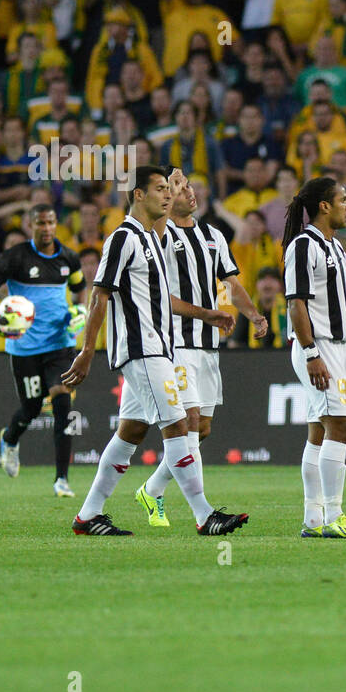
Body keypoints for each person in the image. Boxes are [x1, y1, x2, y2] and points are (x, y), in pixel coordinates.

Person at [61, 166, 247, 537]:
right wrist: (86, 351)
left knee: (130, 431)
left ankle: (88, 515)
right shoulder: (123, 238)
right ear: (139, 195)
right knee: (179, 425)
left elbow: (162, 299)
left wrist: (206, 313)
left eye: (171, 188)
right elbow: (100, 295)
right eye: (161, 188)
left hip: (157, 348)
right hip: (141, 349)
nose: (168, 194)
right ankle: (204, 514)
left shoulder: (149, 238)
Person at [130, 172, 268, 527]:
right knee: (188, 422)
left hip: (207, 345)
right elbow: (159, 290)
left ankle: (152, 488)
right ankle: (204, 515)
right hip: (173, 340)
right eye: (179, 187)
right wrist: (207, 314)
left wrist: (253, 315)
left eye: (191, 186)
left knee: (201, 428)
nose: (189, 192)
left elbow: (232, 283)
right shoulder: (160, 235)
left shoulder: (213, 235)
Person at [284, 176, 346, 538]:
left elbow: (340, 305)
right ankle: (333, 517)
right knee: (341, 426)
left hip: (336, 345)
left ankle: (313, 518)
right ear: (324, 206)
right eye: (343, 200)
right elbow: (295, 304)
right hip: (317, 346)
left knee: (319, 432)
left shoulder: (337, 248)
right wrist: (312, 353)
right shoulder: (302, 246)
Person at [0, 204, 87, 498]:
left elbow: (80, 287)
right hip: (25, 347)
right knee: (32, 408)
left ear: (56, 224)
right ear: (30, 225)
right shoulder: (15, 257)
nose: (47, 228)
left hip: (60, 343)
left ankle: (61, 479)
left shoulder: (68, 257)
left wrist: (80, 310)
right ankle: (10, 439)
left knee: (63, 403)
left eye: (51, 222)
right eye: (41, 223)